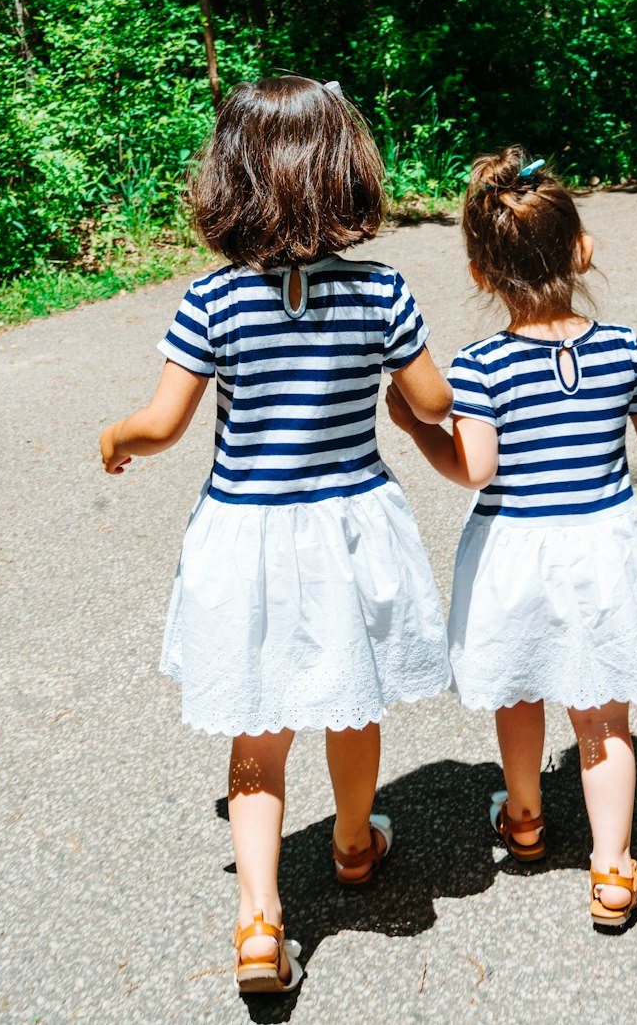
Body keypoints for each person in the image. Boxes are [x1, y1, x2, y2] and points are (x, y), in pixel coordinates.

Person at [100, 76, 452, 992]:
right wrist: (409, 414)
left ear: (232, 176)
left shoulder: (213, 302)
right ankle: (350, 842)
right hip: (350, 524)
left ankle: (259, 923)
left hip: (245, 529)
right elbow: (433, 402)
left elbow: (164, 423)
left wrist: (116, 437)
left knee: (257, 731)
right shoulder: (383, 292)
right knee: (352, 698)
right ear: (343, 171)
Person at [387, 146, 637, 930]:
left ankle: (524, 820)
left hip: (515, 554)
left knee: (522, 688)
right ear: (582, 248)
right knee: (602, 718)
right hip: (604, 546)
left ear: (479, 274)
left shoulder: (483, 364)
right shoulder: (625, 347)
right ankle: (612, 870)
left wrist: (416, 431)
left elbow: (476, 468)